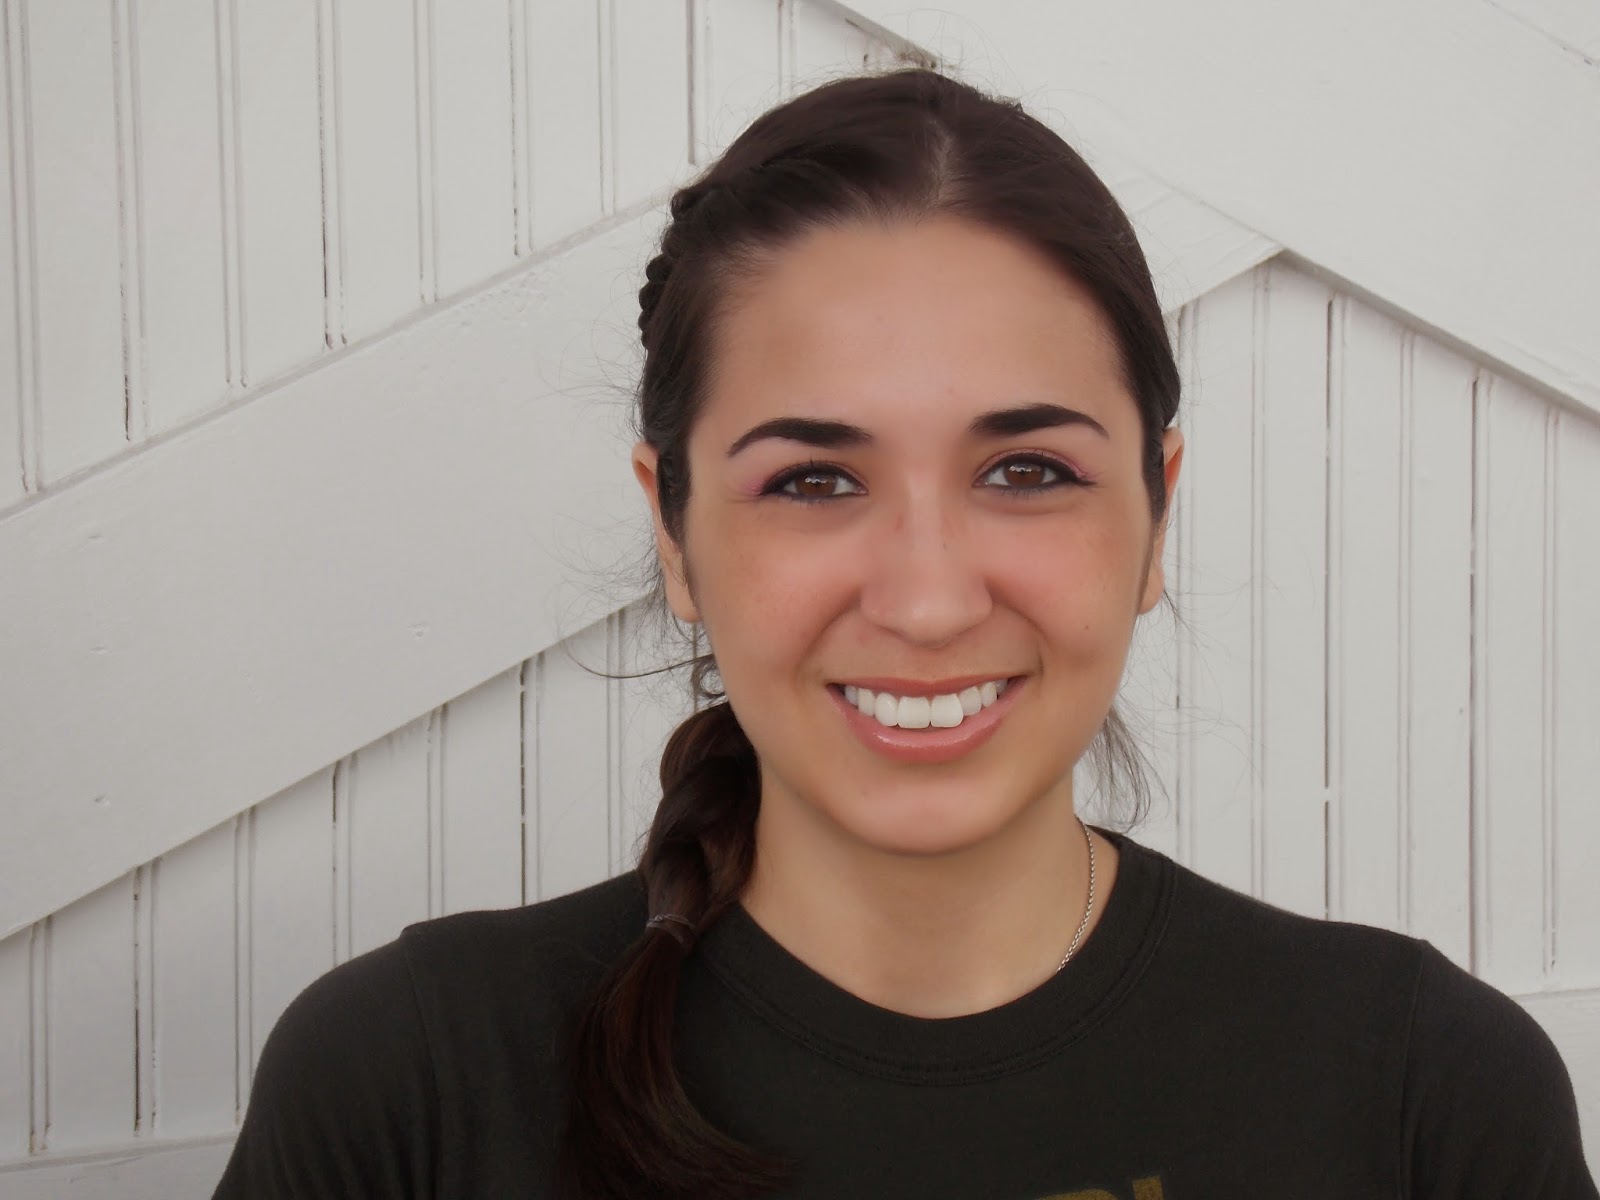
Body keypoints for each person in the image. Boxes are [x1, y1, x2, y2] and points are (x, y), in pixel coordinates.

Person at [211, 67, 1596, 1200]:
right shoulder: (409, 1088)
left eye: (1027, 471)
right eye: (814, 481)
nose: (928, 602)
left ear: (1157, 513)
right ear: (674, 533)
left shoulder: (1422, 1091)